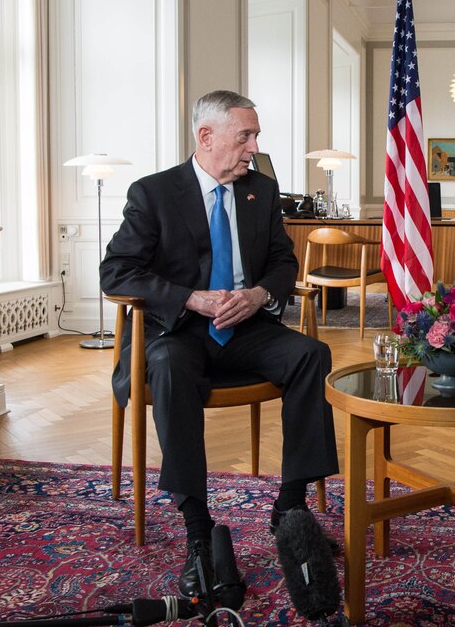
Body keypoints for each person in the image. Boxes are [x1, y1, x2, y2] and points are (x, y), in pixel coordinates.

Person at [100, 90, 339, 598]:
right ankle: (198, 532)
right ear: (206, 137)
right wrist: (191, 299)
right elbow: (117, 271)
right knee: (168, 368)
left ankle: (290, 508)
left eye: (255, 136)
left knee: (311, 356)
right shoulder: (154, 193)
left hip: (247, 330)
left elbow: (283, 264)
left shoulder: (261, 192)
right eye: (245, 136)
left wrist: (257, 295)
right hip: (177, 334)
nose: (253, 148)